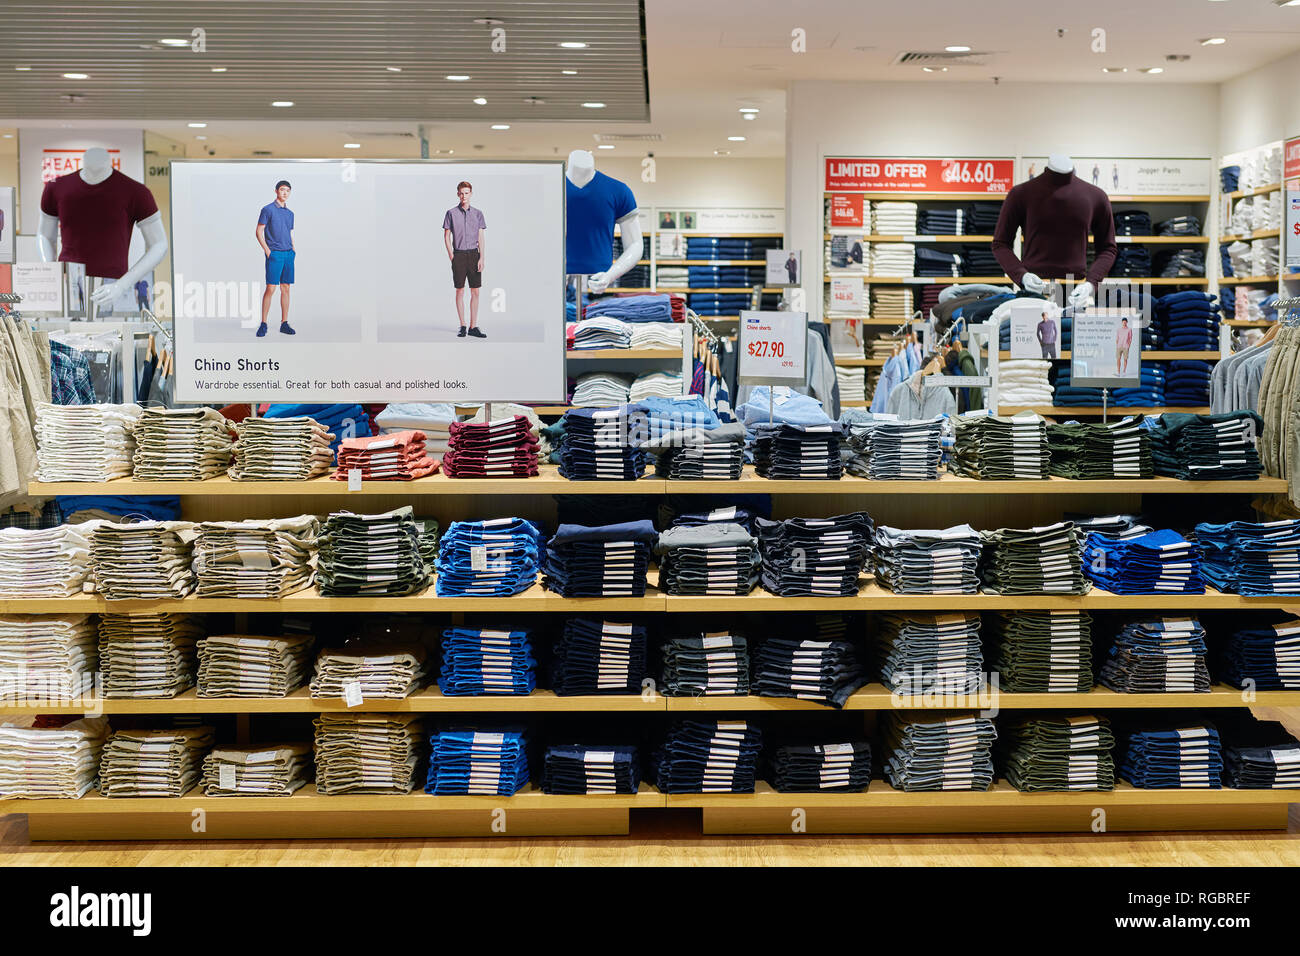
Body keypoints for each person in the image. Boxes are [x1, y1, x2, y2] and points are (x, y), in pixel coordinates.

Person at [443, 180, 487, 338]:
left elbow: (481, 237)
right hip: (459, 255)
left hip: (474, 255)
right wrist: (452, 256)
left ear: (471, 194)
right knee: (460, 290)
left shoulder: (478, 214)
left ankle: (473, 326)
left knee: (475, 291)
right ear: (458, 194)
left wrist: (482, 257)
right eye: (461, 193)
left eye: (466, 193)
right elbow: (447, 236)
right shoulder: (451, 213)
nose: (464, 196)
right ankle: (462, 325)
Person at [255, 180, 295, 337]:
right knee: (271, 288)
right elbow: (259, 231)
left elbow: (290, 232)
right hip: (275, 254)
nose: (285, 193)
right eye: (282, 190)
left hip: (288, 254)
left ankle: (284, 323)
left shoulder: (290, 213)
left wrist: (293, 249)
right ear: (276, 191)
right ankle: (263, 323)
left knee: (286, 288)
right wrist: (267, 251)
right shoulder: (267, 209)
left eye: (288, 190)